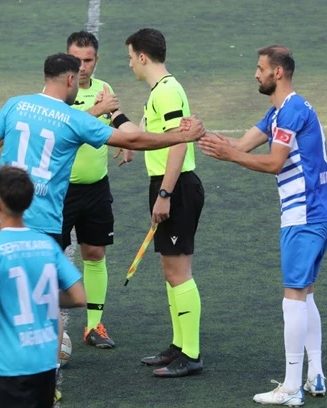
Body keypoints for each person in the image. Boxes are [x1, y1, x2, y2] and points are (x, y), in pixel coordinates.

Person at [0, 53, 205, 396]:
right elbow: (133, 140)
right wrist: (181, 136)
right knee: (46, 299)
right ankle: (47, 381)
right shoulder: (74, 119)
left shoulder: (15, 105)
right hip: (43, 222)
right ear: (69, 80)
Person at [198, 45, 327, 406]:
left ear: (278, 72)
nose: (256, 74)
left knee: (293, 298)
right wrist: (200, 135)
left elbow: (274, 162)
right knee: (305, 294)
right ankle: (315, 375)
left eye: (260, 69)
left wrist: (231, 156)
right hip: (318, 215)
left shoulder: (289, 112)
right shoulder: (280, 111)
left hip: (303, 216)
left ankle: (291, 388)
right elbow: (242, 143)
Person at [0, 165, 87, 408]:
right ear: (29, 204)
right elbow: (79, 297)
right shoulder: (47, 244)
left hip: (9, 362)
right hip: (44, 363)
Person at [122, 28, 205, 378]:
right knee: (170, 270)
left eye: (130, 57)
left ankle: (192, 353)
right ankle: (179, 346)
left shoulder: (168, 91)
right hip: (167, 184)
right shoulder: (159, 91)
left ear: (143, 57)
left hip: (176, 186)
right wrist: (125, 135)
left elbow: (178, 143)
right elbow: (145, 132)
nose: (130, 64)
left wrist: (165, 194)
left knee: (178, 271)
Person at [63, 31, 133, 349]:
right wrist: (96, 110)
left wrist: (127, 141)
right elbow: (64, 125)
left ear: (96, 60)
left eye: (87, 60)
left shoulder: (105, 89)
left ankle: (93, 326)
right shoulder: (57, 91)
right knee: (51, 256)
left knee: (95, 253)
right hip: (60, 189)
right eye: (75, 59)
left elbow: (116, 120)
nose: (81, 66)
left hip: (96, 188)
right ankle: (47, 325)